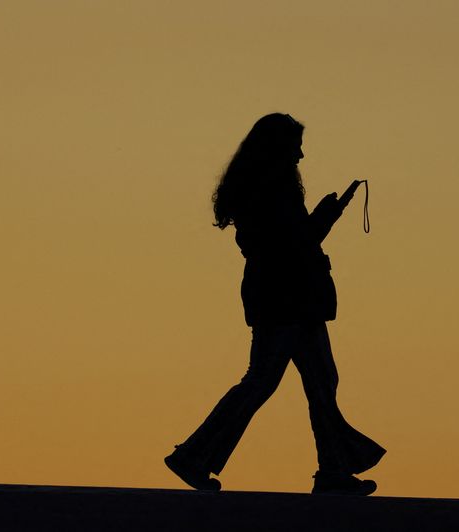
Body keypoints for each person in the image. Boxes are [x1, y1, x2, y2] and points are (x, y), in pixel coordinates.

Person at [165, 113, 385, 495]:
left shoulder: (263, 189)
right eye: (295, 147)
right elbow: (293, 244)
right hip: (286, 297)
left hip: (288, 297)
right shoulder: (271, 191)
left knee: (318, 382)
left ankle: (332, 470)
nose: (301, 155)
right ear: (278, 149)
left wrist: (319, 219)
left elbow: (288, 241)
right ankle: (193, 456)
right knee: (265, 381)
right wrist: (327, 216)